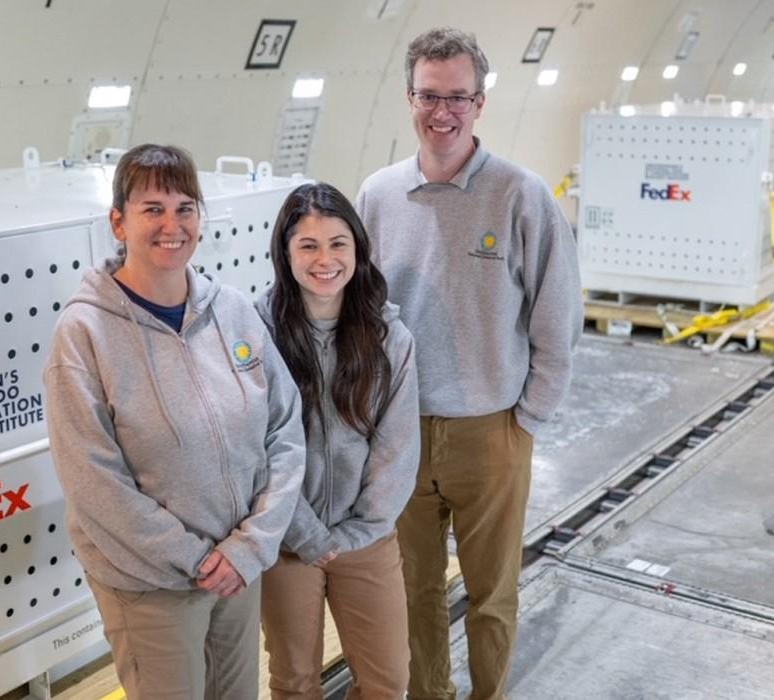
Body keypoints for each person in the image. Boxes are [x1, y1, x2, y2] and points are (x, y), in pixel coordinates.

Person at [354, 28, 583, 700]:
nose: (443, 111)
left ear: (480, 104)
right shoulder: (377, 196)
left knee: (492, 595)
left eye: (458, 97)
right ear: (408, 98)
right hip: (401, 435)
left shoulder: (520, 194)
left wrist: (528, 418)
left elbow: (556, 318)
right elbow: (362, 318)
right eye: (430, 95)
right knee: (413, 593)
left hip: (493, 432)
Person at [44, 144, 305, 699]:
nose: (172, 224)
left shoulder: (231, 310)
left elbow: (285, 430)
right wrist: (195, 558)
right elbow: (93, 481)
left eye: (186, 207)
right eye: (152, 208)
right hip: (152, 584)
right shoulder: (85, 334)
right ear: (118, 222)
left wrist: (249, 548)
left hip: (238, 567)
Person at [255, 183, 420, 699]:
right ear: (285, 253)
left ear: (357, 250)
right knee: (295, 680)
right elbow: (252, 445)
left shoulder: (389, 338)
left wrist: (358, 531)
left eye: (337, 244)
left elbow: (397, 447)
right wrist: (303, 531)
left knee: (387, 679)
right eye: (308, 245)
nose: (324, 259)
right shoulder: (259, 333)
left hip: (365, 537)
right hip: (286, 538)